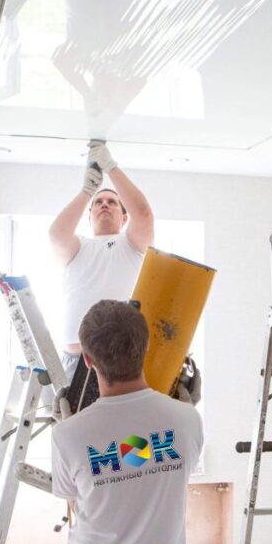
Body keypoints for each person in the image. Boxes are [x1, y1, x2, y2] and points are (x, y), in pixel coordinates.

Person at [51, 300, 203, 544]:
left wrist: (79, 437)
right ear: (145, 348)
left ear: (87, 359)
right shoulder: (188, 419)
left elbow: (78, 505)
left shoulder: (67, 435)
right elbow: (165, 473)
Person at [49, 143, 154, 391]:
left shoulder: (132, 244)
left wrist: (111, 167)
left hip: (122, 364)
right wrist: (87, 191)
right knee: (70, 417)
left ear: (124, 218)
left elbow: (143, 214)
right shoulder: (78, 247)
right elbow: (56, 235)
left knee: (126, 421)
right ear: (89, 216)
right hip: (76, 363)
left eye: (112, 202)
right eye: (98, 202)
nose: (104, 204)